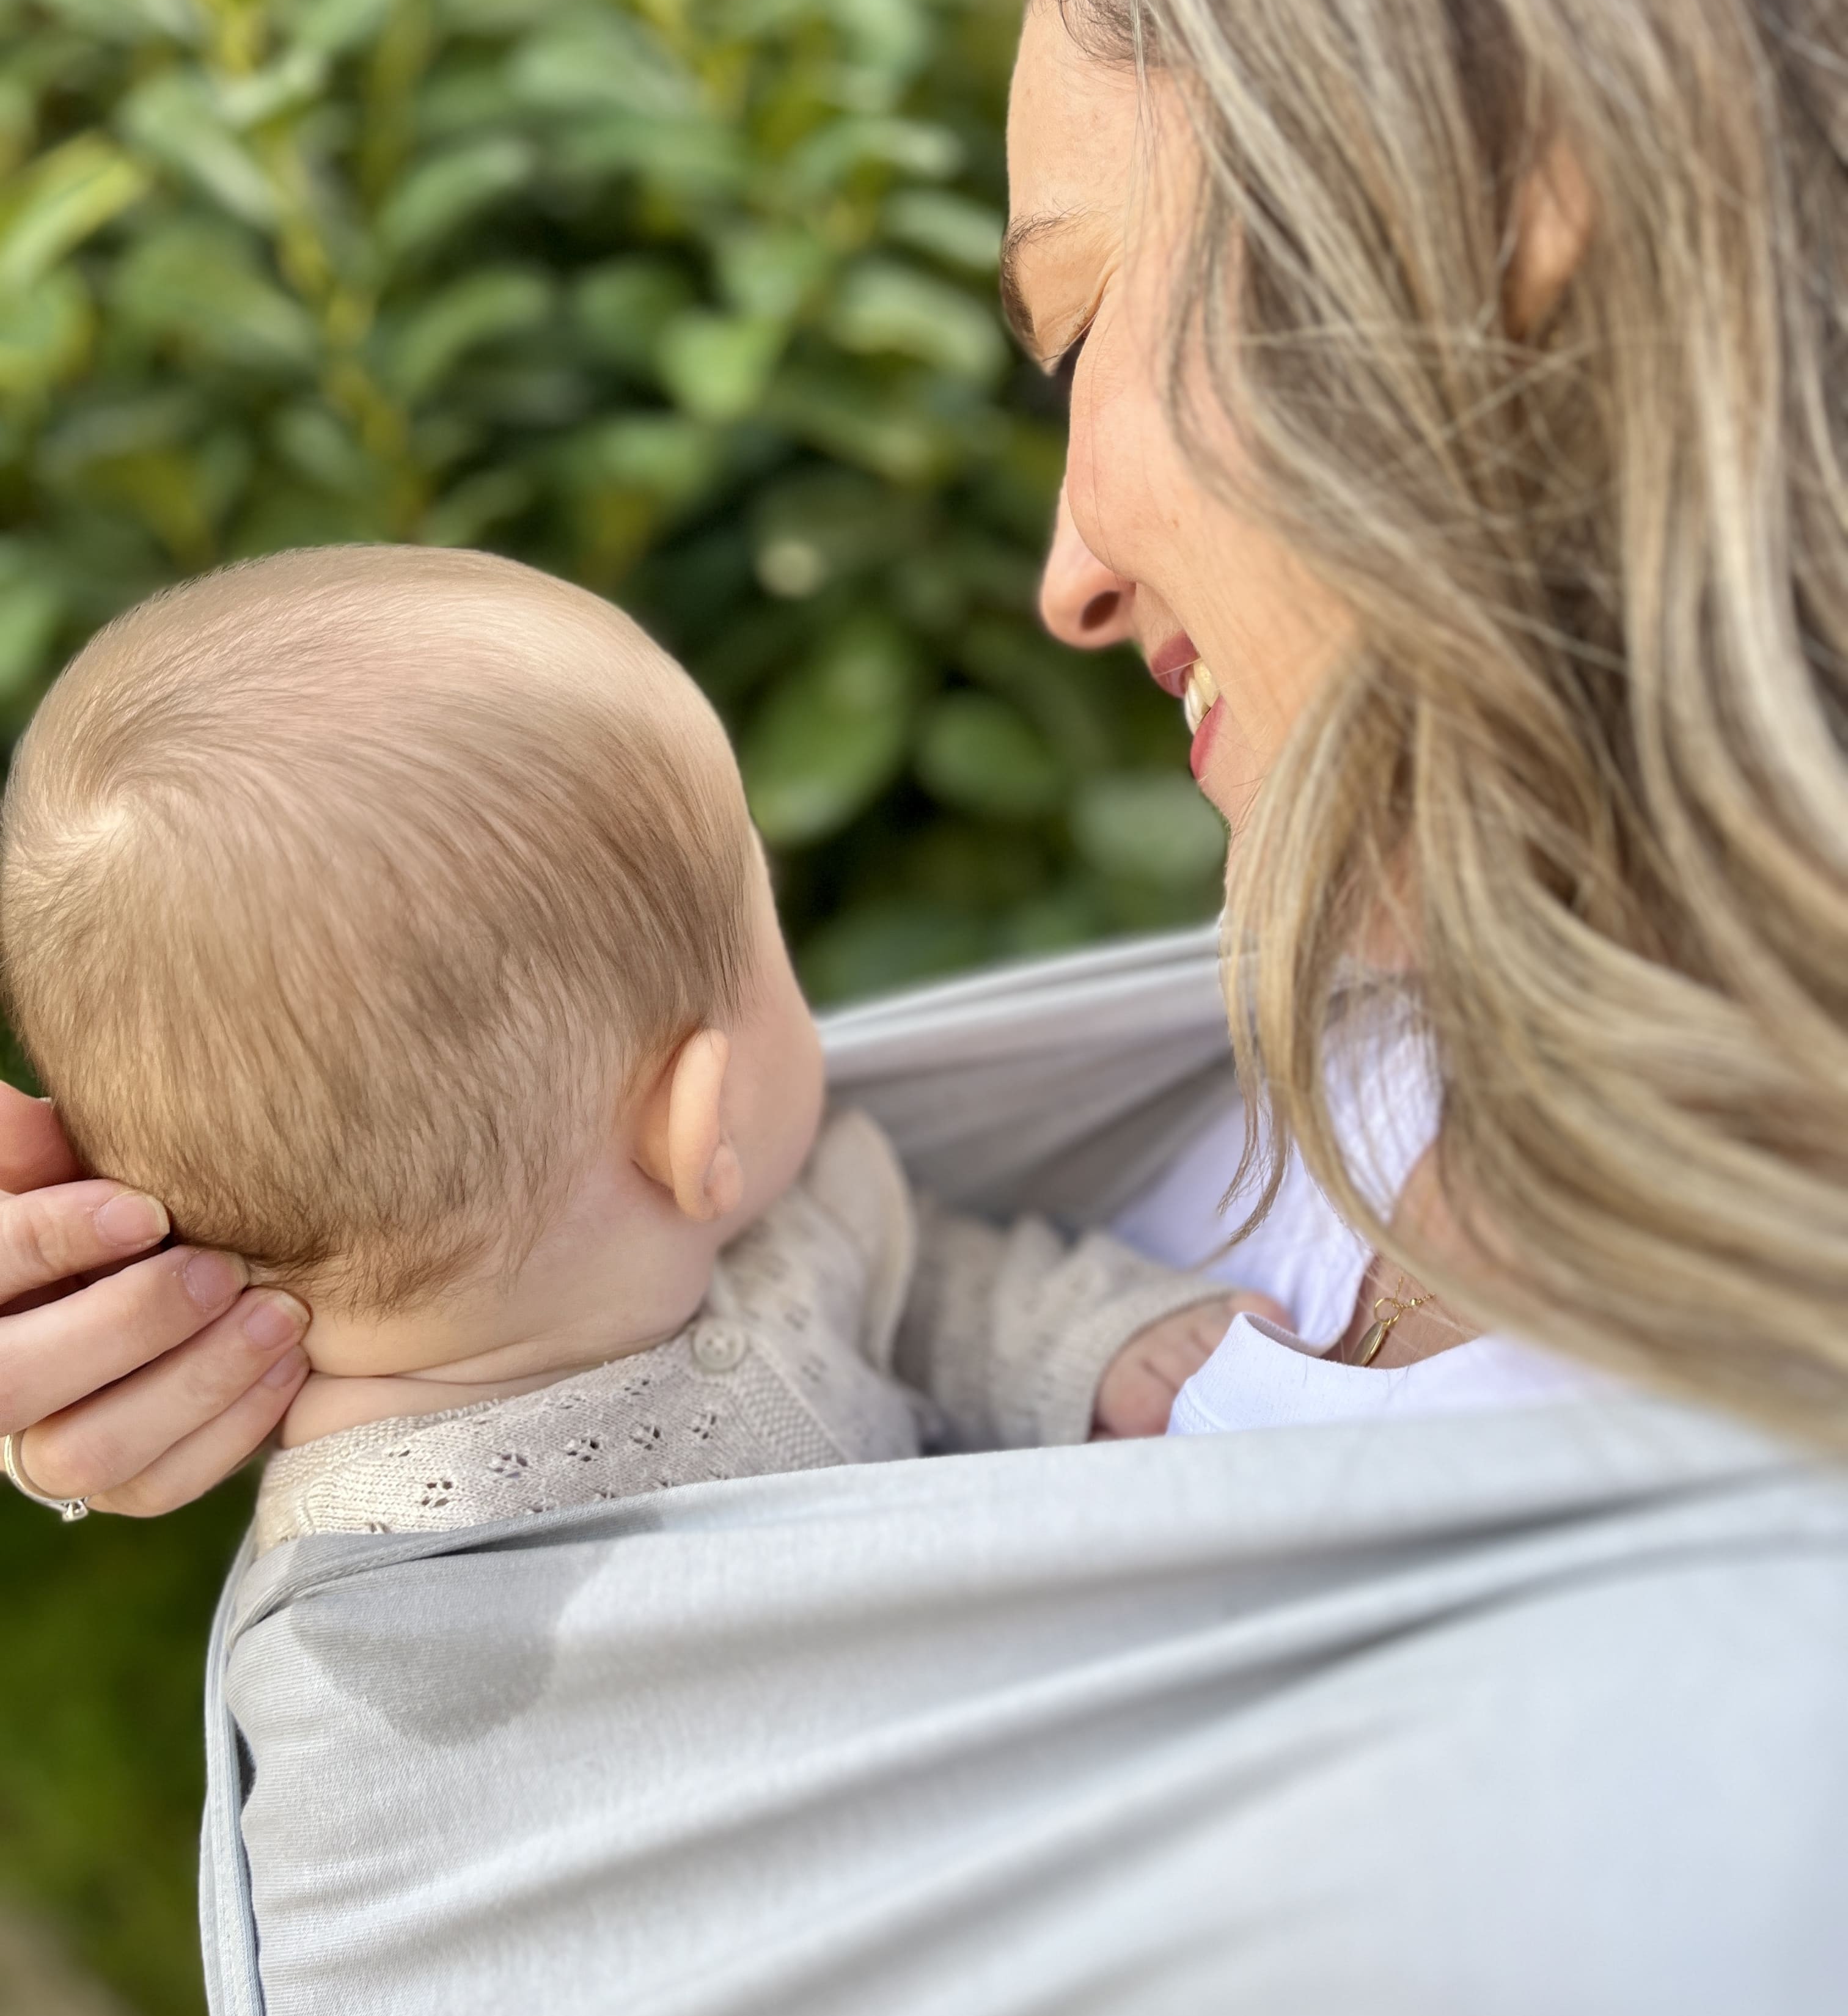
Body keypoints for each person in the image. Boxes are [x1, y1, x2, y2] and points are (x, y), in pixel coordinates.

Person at [4, 0, 1847, 2016]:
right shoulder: (1376, 1012)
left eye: (1075, 325)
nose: (1066, 570)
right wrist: (307, 1314)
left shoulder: (1734, 1750)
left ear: (1516, 211)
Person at [0, 545, 1246, 1550]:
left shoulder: (794, 1232)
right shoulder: (376, 1621)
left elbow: (926, 1297)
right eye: (766, 933)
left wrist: (1088, 1348)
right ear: (695, 1125)